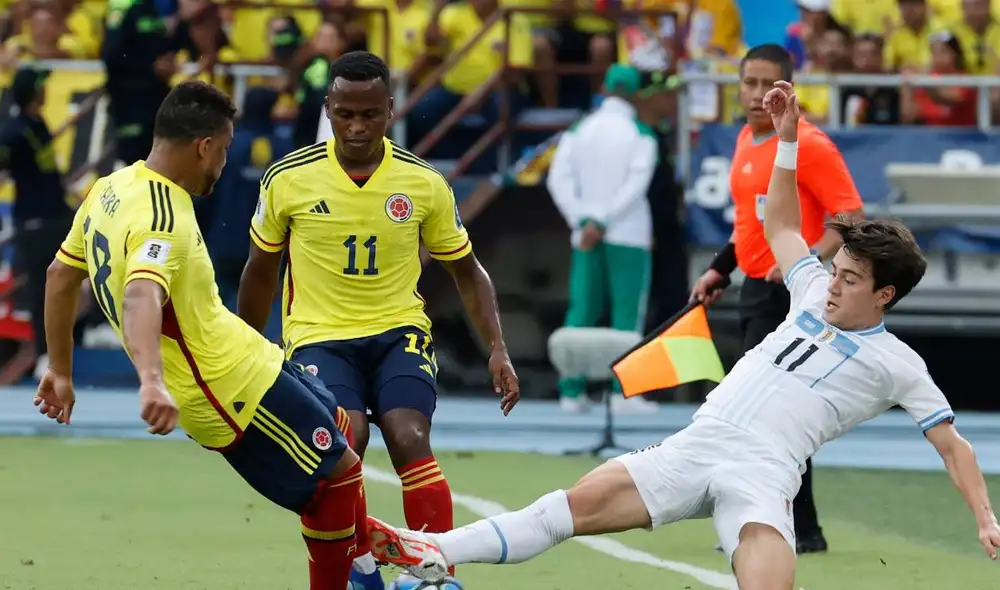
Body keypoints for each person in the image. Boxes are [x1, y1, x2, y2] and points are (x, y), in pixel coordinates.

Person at [363, 80, 1000, 590]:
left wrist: (983, 514)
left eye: (852, 279)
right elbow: (778, 221)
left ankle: (432, 554)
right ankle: (433, 551)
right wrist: (784, 140)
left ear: (884, 295)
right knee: (565, 510)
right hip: (697, 442)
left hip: (762, 472)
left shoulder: (900, 363)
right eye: (837, 269)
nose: (834, 282)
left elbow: (953, 447)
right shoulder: (809, 289)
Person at [35, 80, 367, 590]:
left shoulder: (111, 187)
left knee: (341, 426)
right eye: (226, 149)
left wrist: (59, 367)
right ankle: (358, 578)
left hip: (248, 354)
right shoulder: (160, 218)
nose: (225, 163)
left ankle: (369, 564)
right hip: (226, 389)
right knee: (338, 477)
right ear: (204, 146)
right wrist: (150, 381)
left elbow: (61, 276)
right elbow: (141, 296)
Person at [237, 50, 520, 589]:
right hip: (319, 338)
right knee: (349, 439)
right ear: (329, 108)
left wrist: (497, 347)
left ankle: (434, 574)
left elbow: (468, 271)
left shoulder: (423, 183)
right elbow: (259, 271)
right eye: (345, 113)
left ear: (390, 110)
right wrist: (249, 351)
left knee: (410, 434)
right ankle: (362, 568)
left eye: (369, 114)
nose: (357, 126)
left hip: (399, 333)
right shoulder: (287, 179)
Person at [689, 43, 864, 554]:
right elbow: (750, 222)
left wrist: (805, 261)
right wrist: (721, 268)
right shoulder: (746, 137)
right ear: (737, 87)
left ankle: (789, 527)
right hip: (753, 290)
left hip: (789, 297)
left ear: (790, 89)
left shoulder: (809, 144)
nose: (759, 94)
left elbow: (850, 214)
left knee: (768, 413)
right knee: (768, 412)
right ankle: (798, 529)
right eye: (750, 83)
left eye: (771, 84)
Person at [546, 63, 658, 415]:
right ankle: (623, 391)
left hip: (585, 234)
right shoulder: (640, 134)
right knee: (627, 314)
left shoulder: (580, 130)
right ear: (636, 94)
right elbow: (636, 185)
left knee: (582, 309)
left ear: (606, 89)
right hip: (627, 233)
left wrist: (583, 220)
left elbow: (557, 179)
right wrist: (605, 221)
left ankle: (571, 392)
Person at [0, 67, 75, 370]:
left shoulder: (37, 123)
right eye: (42, 86)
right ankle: (46, 355)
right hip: (34, 221)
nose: (46, 90)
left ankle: (60, 347)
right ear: (32, 91)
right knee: (42, 289)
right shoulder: (13, 132)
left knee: (69, 284)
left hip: (56, 215)